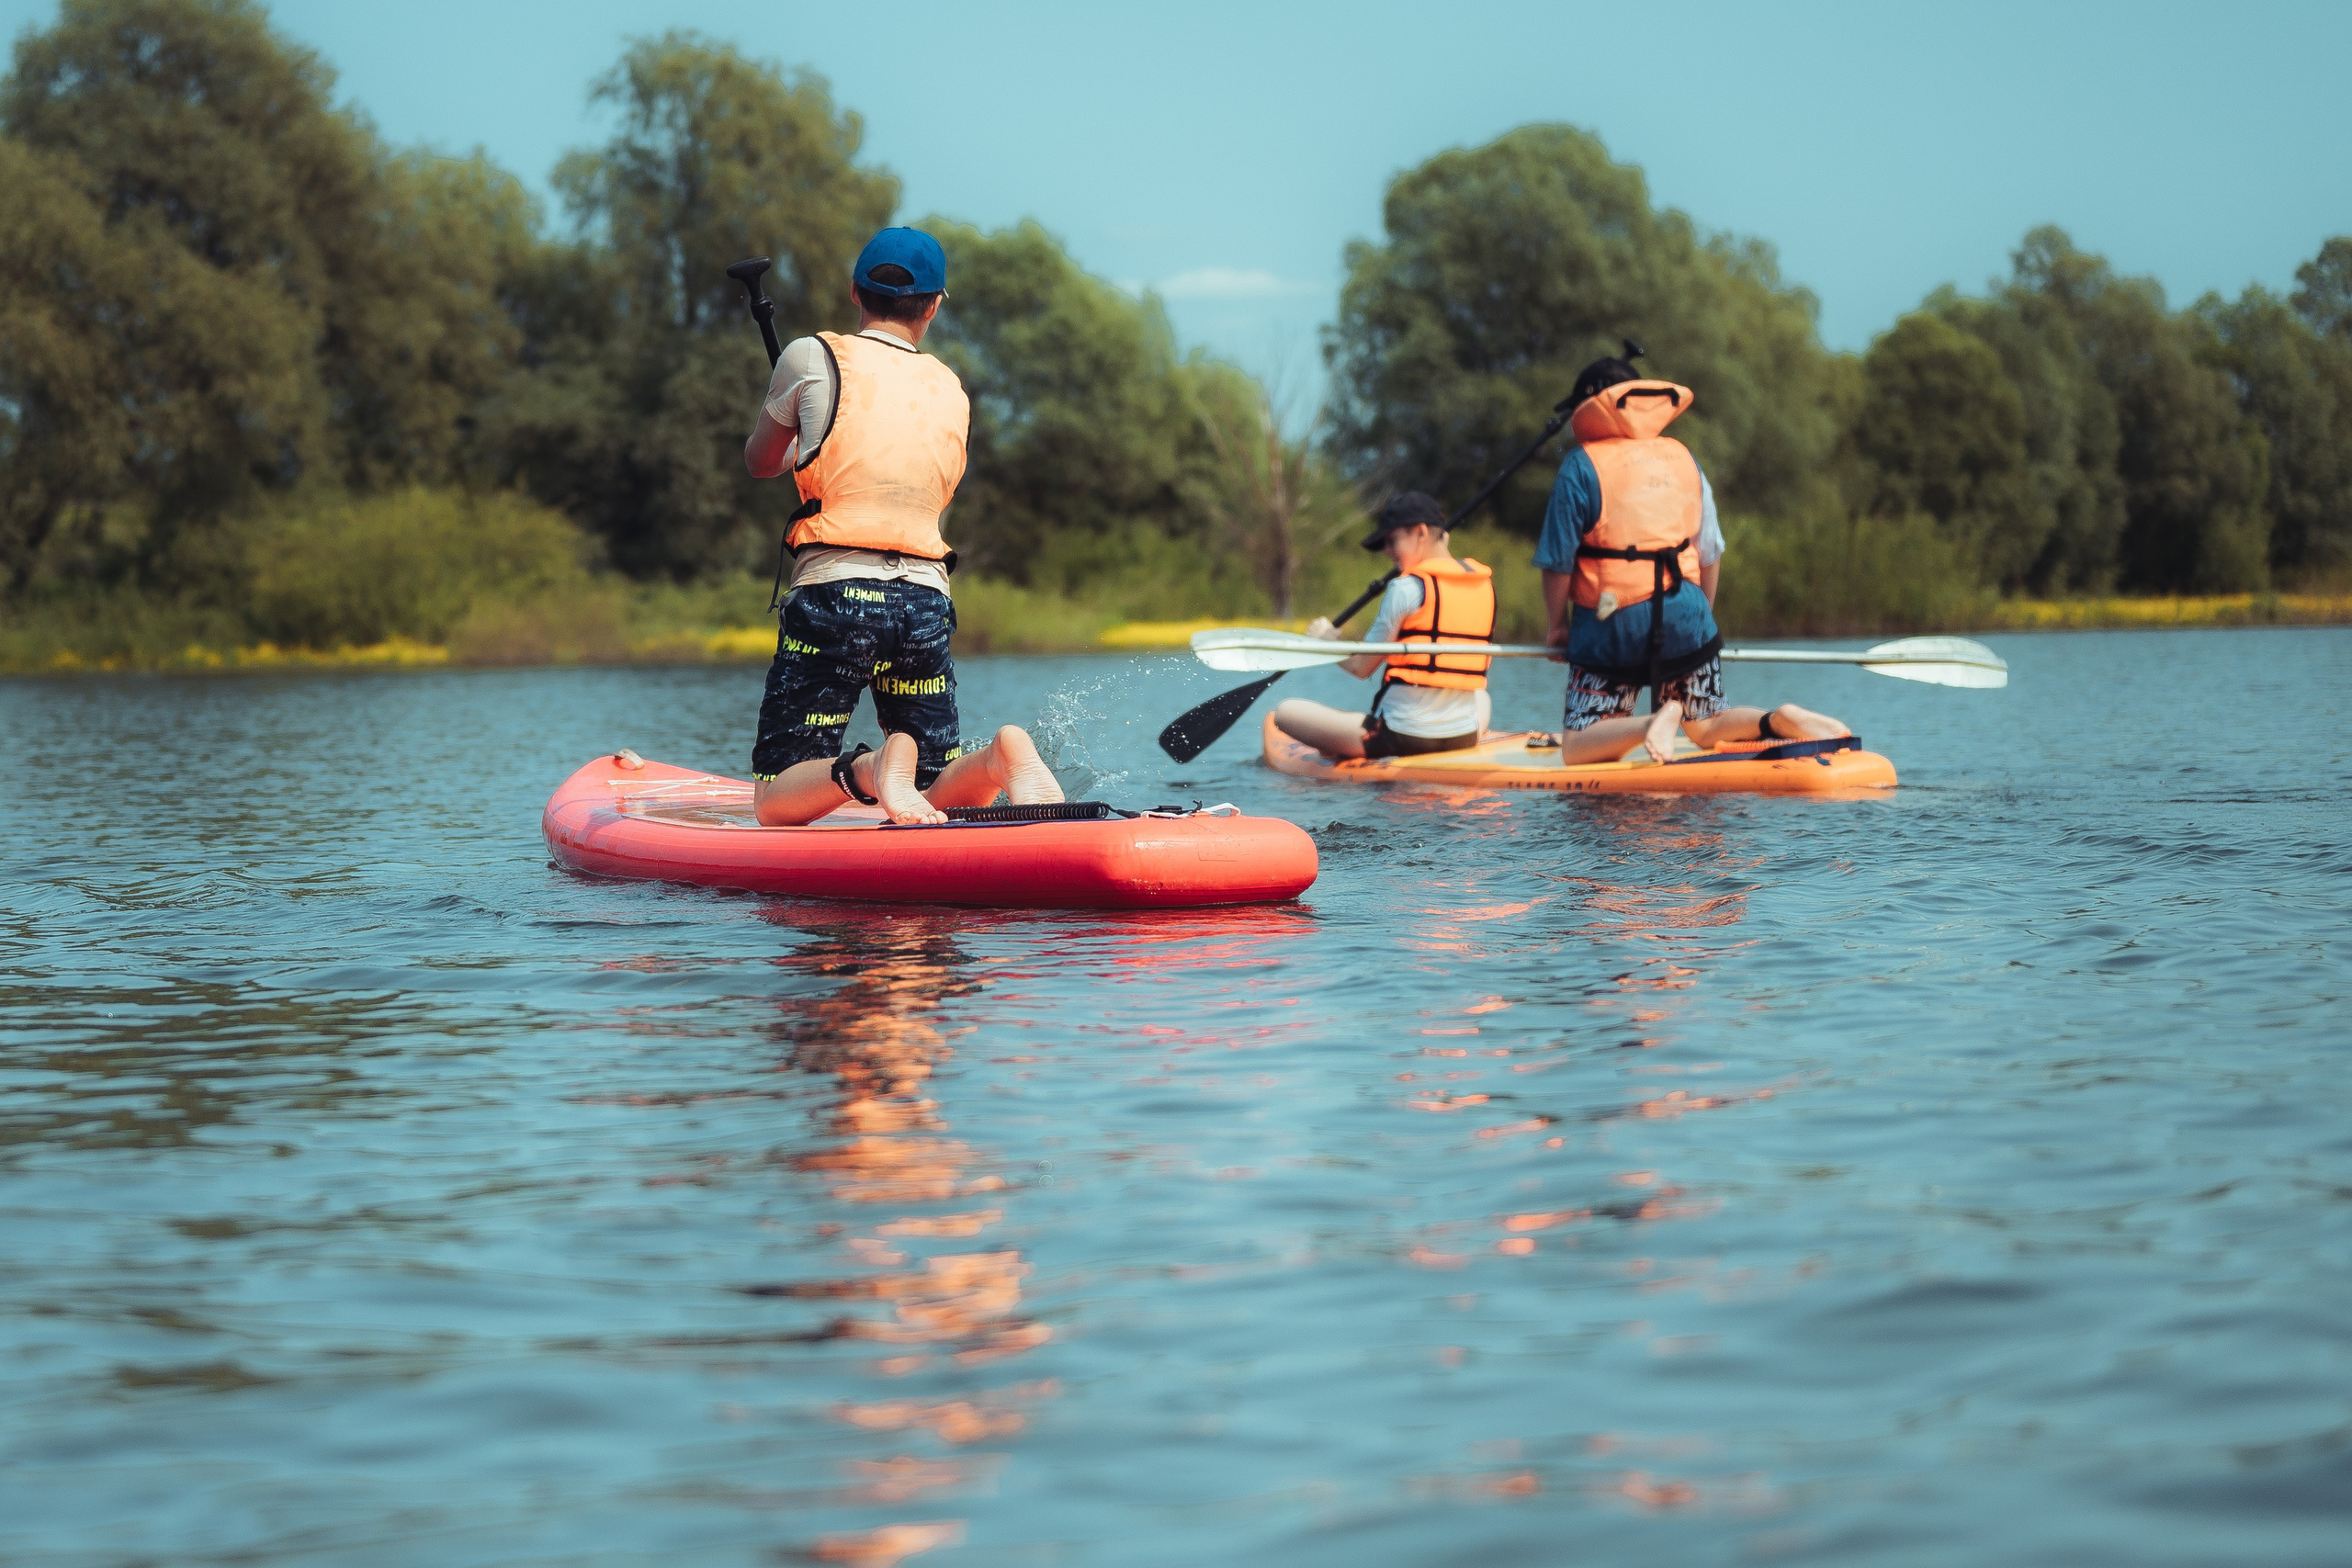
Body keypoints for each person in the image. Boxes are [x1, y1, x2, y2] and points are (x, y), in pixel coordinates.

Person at [741, 227, 1064, 826]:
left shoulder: (810, 356)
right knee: (935, 785)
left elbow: (760, 461)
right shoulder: (951, 388)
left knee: (774, 799)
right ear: (935, 305)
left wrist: (803, 451)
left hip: (836, 592)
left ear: (854, 293)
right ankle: (999, 756)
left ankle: (866, 768)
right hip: (923, 599)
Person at [1534, 342, 1850, 765]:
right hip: (1686, 610)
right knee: (1706, 724)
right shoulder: (1683, 458)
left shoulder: (1578, 466)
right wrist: (1701, 618)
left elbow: (1557, 561)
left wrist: (1557, 626)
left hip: (1612, 621)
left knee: (1577, 745)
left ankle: (1651, 724)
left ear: (1592, 408)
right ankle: (1777, 719)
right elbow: (1709, 551)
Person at [1271, 491, 1495, 760]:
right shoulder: (1485, 586)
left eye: (1392, 541)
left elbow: (1360, 667)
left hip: (1401, 738)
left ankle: (1344, 746)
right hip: (1463, 736)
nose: (1387, 552)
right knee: (1482, 698)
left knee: (1284, 712)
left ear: (1420, 533)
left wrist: (1325, 642)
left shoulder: (1406, 588)